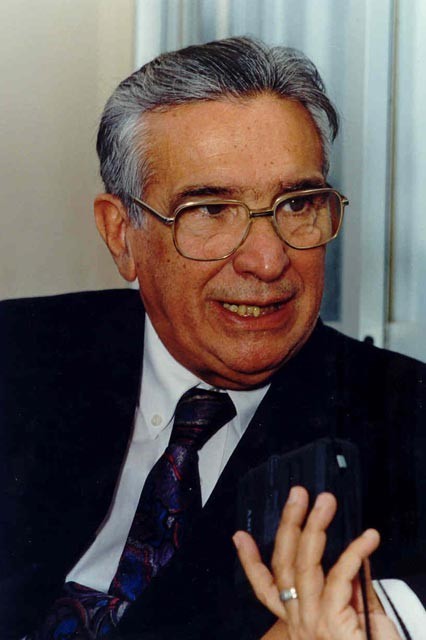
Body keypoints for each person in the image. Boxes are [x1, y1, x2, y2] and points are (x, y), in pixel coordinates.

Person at [1, 36, 425, 640]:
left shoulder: (407, 418)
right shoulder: (19, 353)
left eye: (297, 203)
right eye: (210, 210)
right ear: (121, 235)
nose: (268, 260)